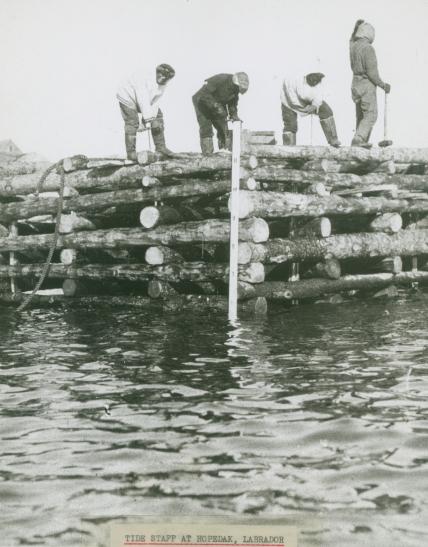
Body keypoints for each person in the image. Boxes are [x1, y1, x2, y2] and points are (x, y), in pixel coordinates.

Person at [117, 64, 176, 161]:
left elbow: (156, 101)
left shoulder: (163, 83)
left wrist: (150, 120)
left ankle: (161, 147)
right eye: (161, 75)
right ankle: (131, 153)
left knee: (158, 115)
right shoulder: (144, 76)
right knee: (132, 122)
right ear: (157, 72)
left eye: (167, 77)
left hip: (143, 98)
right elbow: (142, 99)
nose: (163, 78)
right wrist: (150, 120)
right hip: (128, 96)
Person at [349, 20, 391, 148]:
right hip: (366, 85)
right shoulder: (368, 48)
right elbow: (372, 73)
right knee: (371, 114)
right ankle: (359, 139)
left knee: (361, 115)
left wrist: (355, 28)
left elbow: (351, 40)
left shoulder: (353, 46)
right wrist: (383, 85)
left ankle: (360, 142)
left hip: (355, 84)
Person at [192, 72, 249, 155]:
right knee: (206, 128)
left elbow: (232, 104)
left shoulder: (235, 88)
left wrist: (234, 115)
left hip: (217, 103)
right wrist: (215, 105)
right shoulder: (220, 79)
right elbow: (204, 94)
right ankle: (207, 154)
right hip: (201, 102)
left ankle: (224, 152)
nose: (237, 90)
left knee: (223, 127)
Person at [280, 71, 341, 147]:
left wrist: (315, 105)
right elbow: (292, 99)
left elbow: (318, 97)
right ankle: (289, 147)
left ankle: (333, 139)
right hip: (289, 102)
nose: (314, 80)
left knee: (326, 110)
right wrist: (305, 108)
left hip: (307, 101)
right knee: (291, 125)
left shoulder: (319, 83)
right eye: (312, 76)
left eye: (317, 78)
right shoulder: (294, 78)